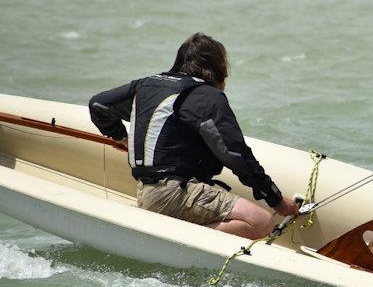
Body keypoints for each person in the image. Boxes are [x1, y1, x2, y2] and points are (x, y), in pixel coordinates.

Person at [88, 32, 299, 239]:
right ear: (216, 68)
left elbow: (98, 105)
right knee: (261, 222)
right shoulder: (205, 97)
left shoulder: (146, 85)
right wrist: (276, 199)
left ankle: (174, 232)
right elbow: (234, 154)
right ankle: (176, 238)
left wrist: (123, 139)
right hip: (174, 195)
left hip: (147, 193)